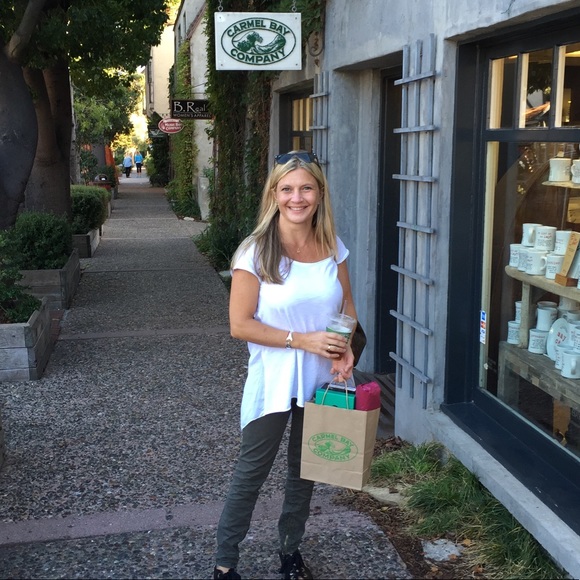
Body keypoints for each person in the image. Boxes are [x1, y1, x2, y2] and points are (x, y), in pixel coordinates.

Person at [214, 151, 357, 580]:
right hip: (273, 381)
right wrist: (303, 340)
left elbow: (347, 306)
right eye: (288, 189)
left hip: (321, 378)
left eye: (306, 188)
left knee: (304, 472)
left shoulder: (333, 246)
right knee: (251, 472)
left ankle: (290, 552)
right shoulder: (254, 252)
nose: (298, 198)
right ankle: (225, 563)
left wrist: (346, 346)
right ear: (274, 195)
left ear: (320, 193)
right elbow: (240, 325)